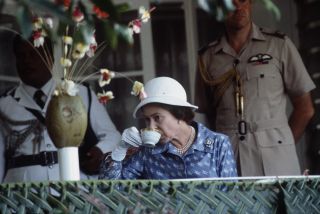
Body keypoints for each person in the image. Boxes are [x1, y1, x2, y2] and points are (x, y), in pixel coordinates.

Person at [195, 0, 316, 176]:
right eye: (232, 2)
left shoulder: (279, 45)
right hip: (228, 158)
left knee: (277, 204)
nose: (239, 7)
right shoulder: (207, 57)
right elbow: (205, 116)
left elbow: (305, 109)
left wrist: (283, 142)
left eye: (243, 1)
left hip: (276, 158)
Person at [0, 32, 121, 182]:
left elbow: (113, 136)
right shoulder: (4, 104)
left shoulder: (79, 94)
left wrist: (100, 150)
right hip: (22, 192)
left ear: (50, 58)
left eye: (34, 53)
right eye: (21, 56)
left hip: (74, 185)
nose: (27, 61)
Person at [99, 77, 237, 179]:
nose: (151, 127)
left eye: (157, 118)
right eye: (147, 120)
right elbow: (111, 191)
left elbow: (231, 197)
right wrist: (120, 150)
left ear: (179, 114)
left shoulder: (218, 145)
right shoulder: (148, 151)